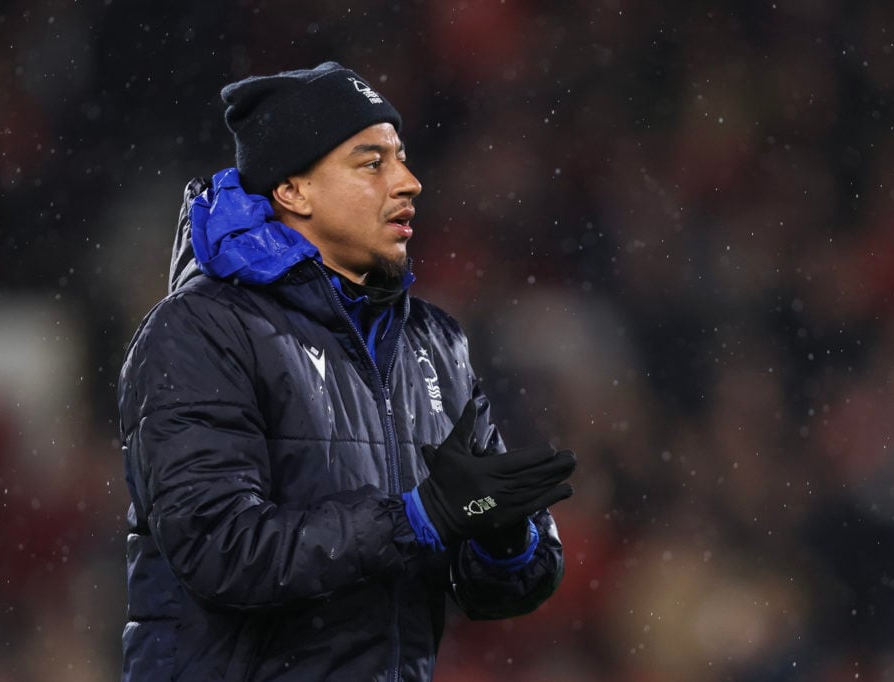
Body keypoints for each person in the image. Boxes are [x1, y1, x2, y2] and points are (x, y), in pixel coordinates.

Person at [118, 62, 577, 682]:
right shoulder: (200, 330)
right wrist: (415, 518)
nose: (409, 182)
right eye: (372, 163)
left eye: (403, 159)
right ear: (293, 190)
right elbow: (219, 548)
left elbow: (500, 589)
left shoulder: (435, 343)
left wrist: (502, 538)